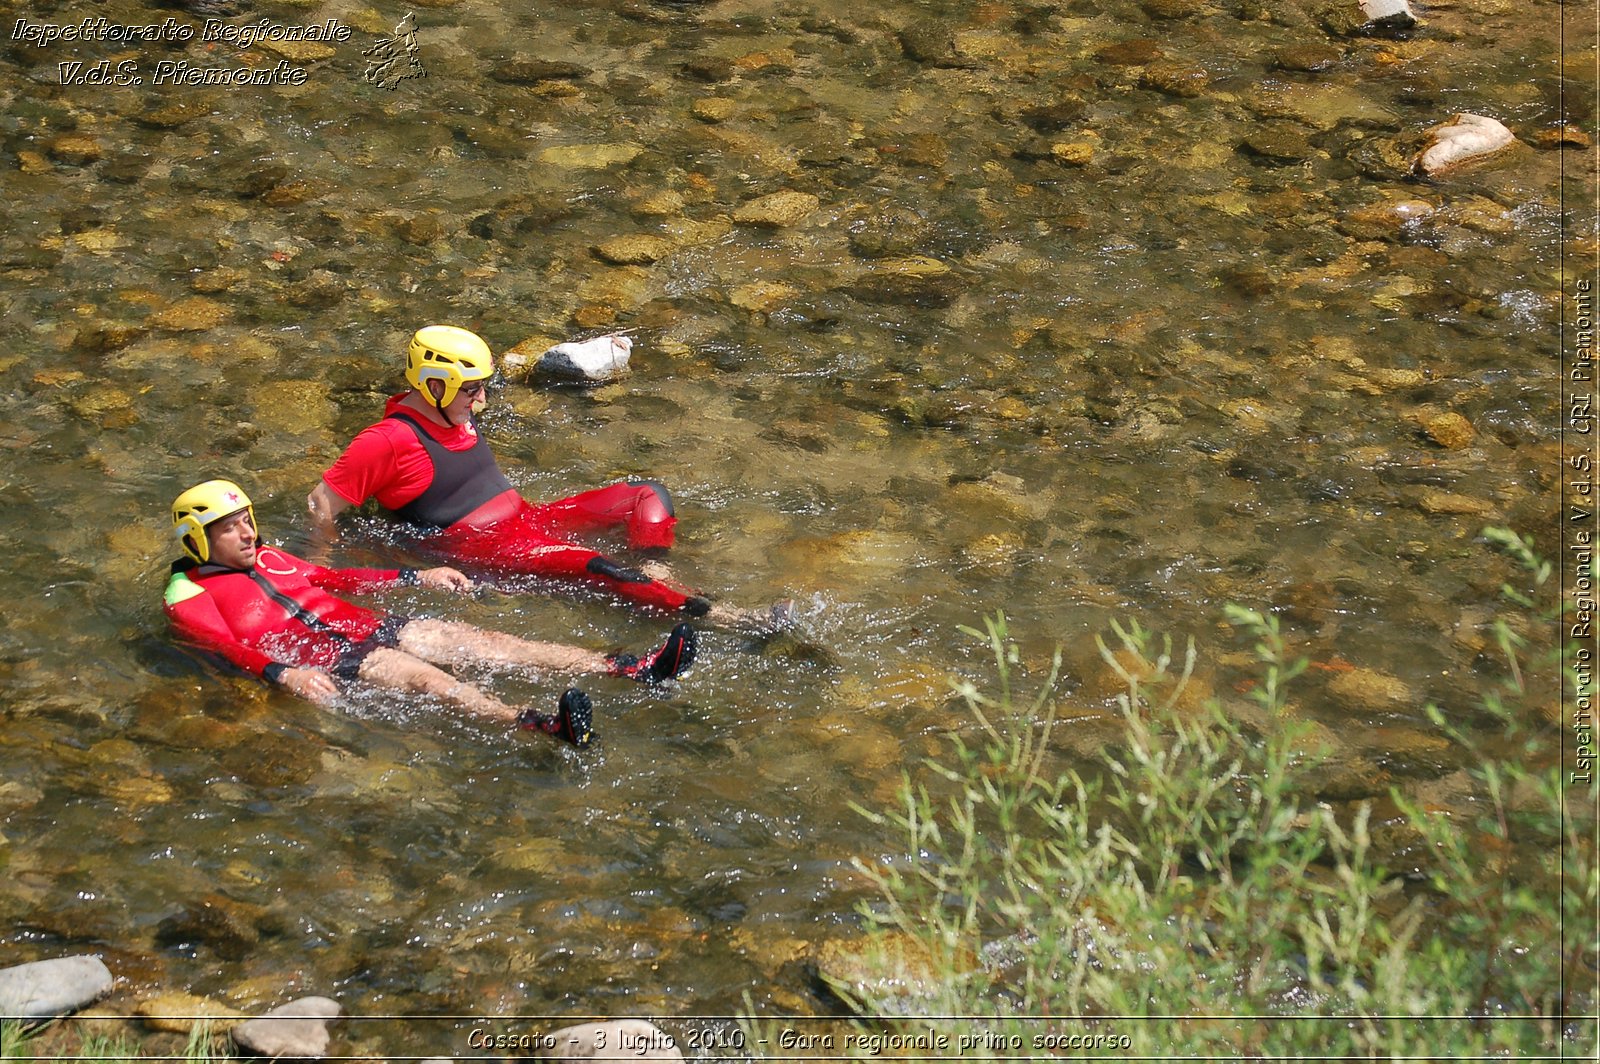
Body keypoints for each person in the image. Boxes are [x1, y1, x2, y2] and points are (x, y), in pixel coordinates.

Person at [306, 325, 789, 631]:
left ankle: (659, 574)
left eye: (482, 389)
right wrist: (324, 570)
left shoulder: (451, 409)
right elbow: (321, 503)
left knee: (645, 494)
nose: (481, 403)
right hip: (488, 548)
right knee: (601, 568)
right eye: (470, 392)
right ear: (434, 386)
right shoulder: (387, 440)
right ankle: (739, 621)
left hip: (529, 520)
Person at [164, 479, 699, 748]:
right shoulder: (186, 593)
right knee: (429, 682)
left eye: (246, 520)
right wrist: (286, 672)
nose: (246, 532)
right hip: (331, 659)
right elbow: (222, 647)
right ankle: (540, 724)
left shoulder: (273, 556)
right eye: (228, 528)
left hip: (374, 626)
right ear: (197, 539)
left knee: (492, 643)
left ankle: (629, 667)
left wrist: (412, 576)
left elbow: (338, 579)